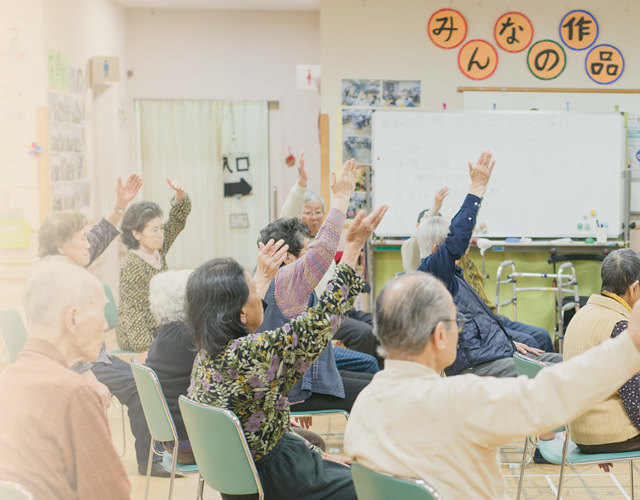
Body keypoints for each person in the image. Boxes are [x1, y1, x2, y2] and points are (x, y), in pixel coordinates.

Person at [344, 270, 640, 500]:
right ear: (439, 336)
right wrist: (630, 345)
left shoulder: (364, 404)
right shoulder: (459, 401)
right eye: (455, 322)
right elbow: (550, 395)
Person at [186, 204, 388, 500]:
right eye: (254, 290)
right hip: (278, 473)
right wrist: (354, 245)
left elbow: (246, 328)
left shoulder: (206, 354)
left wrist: (264, 277)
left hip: (251, 468)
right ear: (241, 313)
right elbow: (323, 321)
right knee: (377, 489)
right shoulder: (256, 354)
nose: (261, 293)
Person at [37, 174, 169, 477]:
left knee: (144, 379)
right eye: (82, 239)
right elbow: (61, 342)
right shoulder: (54, 280)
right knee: (140, 385)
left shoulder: (67, 261)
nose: (90, 244)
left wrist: (121, 203)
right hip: (73, 363)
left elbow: (100, 234)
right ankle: (147, 461)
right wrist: (89, 376)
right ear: (60, 246)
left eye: (86, 237)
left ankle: (151, 458)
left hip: (93, 357)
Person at [416, 151, 561, 377]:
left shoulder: (452, 274)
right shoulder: (432, 274)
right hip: (479, 366)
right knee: (558, 375)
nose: (462, 241)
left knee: (563, 361)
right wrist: (477, 190)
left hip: (496, 353)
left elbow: (483, 323)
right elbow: (457, 240)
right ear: (437, 249)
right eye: (451, 237)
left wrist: (510, 344)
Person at [0, 257, 130, 499]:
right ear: (73, 319)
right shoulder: (74, 393)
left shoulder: (7, 379)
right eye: (101, 312)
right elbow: (110, 494)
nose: (104, 325)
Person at [258, 161, 377, 415]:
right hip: (293, 385)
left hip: (299, 376)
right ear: (287, 257)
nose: (310, 256)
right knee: (378, 391)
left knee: (375, 379)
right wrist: (342, 198)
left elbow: (328, 319)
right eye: (305, 251)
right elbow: (323, 250)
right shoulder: (284, 281)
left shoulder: (268, 281)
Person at [406, 187, 554, 352]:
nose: (466, 241)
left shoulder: (463, 266)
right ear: (438, 248)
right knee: (529, 342)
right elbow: (454, 238)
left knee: (541, 336)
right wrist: (475, 190)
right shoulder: (433, 269)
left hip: (488, 319)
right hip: (478, 333)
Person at [280, 153, 378, 360]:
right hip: (320, 312)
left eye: (318, 213)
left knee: (381, 325)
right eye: (308, 212)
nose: (314, 218)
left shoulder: (324, 240)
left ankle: (381, 377)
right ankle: (356, 374)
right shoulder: (295, 243)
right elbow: (288, 216)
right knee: (363, 333)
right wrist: (301, 184)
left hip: (341, 306)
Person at [564, 249, 640, 454]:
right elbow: (636, 402)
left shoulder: (582, 314)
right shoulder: (620, 325)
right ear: (635, 289)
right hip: (611, 434)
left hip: (583, 431)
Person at [116, 178, 191, 352]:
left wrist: (179, 195)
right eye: (154, 230)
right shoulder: (132, 265)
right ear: (137, 234)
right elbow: (133, 314)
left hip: (160, 324)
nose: (161, 234)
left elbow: (176, 221)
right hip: (138, 333)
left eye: (161, 228)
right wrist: (148, 350)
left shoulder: (158, 247)